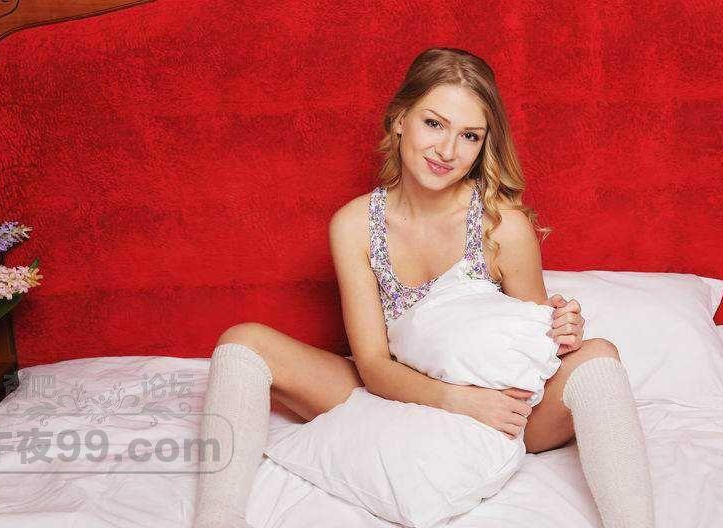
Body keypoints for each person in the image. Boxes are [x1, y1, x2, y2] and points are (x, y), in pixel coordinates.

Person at [193, 47, 655, 528]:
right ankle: (216, 519)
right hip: (393, 390)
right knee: (244, 341)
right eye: (434, 124)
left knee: (599, 356)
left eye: (469, 135)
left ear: (484, 144)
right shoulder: (354, 225)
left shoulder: (502, 225)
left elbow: (533, 352)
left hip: (502, 410)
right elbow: (373, 365)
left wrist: (562, 332)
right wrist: (458, 401)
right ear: (400, 120)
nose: (447, 151)